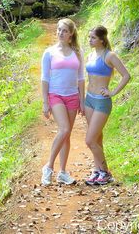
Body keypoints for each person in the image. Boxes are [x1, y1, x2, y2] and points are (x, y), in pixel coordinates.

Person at [83, 25, 130, 185]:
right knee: (97, 138)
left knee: (89, 140)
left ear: (102, 40)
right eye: (89, 37)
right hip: (89, 100)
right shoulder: (90, 55)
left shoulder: (110, 56)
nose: (90, 40)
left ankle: (105, 172)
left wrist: (113, 92)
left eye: (93, 38)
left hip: (102, 102)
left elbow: (126, 75)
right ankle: (97, 170)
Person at [40, 18, 85, 185]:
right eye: (59, 29)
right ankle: (48, 167)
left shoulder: (77, 52)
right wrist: (45, 102)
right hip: (55, 95)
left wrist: (82, 100)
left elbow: (81, 78)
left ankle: (63, 172)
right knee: (64, 129)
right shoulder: (49, 52)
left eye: (64, 30)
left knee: (67, 134)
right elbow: (44, 78)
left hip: (72, 96)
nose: (60, 33)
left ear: (71, 33)